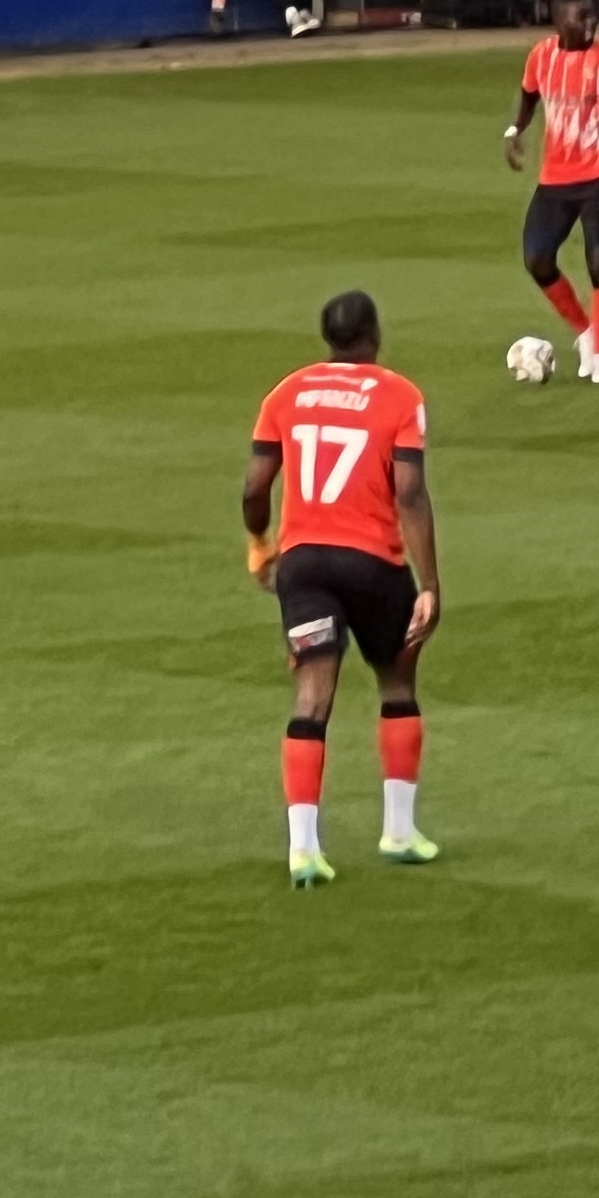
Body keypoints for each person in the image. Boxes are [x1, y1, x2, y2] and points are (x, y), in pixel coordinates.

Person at [243, 288, 441, 886]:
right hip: (372, 565)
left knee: (311, 697)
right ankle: (399, 831)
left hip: (303, 565)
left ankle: (303, 848)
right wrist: (428, 583)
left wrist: (259, 543)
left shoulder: (286, 392)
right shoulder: (401, 395)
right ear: (374, 336)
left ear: (327, 338)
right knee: (397, 682)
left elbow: (255, 488)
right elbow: (408, 493)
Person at [505, 0, 599, 382]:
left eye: (593, 17)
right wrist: (516, 128)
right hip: (555, 179)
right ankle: (585, 331)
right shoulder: (540, 57)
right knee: (537, 259)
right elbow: (530, 94)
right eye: (580, 18)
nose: (589, 24)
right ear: (558, 19)